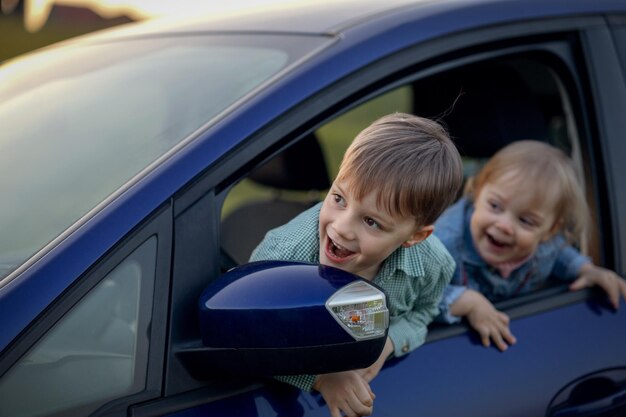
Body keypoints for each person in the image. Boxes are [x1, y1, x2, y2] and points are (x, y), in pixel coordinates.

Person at [250, 112, 464, 417]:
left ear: (415, 236)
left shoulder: (432, 264)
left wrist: (390, 342)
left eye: (371, 222)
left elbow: (424, 311)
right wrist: (321, 378)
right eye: (339, 198)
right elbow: (253, 339)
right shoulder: (281, 260)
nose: (342, 228)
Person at [435, 140, 626, 352]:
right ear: (477, 193)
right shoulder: (443, 244)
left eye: (526, 221)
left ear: (550, 231)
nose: (505, 226)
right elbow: (413, 297)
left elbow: (560, 254)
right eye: (495, 206)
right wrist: (466, 301)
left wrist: (586, 269)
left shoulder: (546, 246)